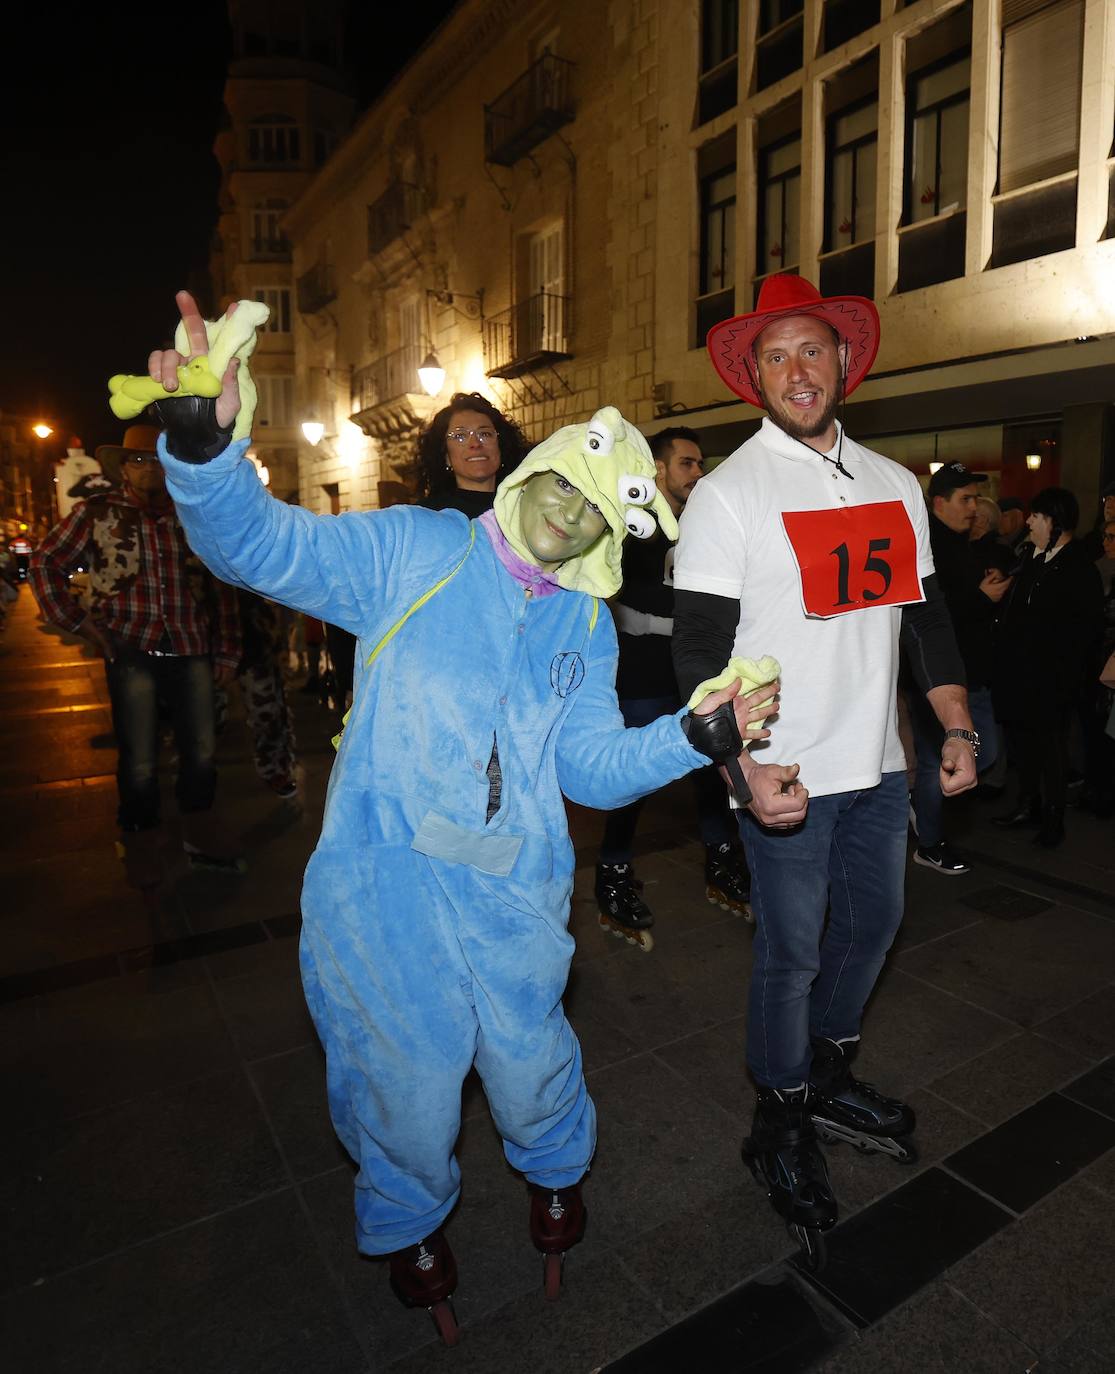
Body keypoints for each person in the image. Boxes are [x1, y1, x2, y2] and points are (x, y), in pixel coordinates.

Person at [142, 290, 776, 1343]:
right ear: (532, 475)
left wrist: (690, 739)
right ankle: (408, 1220)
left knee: (533, 1064)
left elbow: (587, 768)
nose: (567, 518)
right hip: (386, 883)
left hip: (512, 888)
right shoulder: (413, 548)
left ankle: (554, 1176)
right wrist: (208, 458)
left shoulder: (584, 619)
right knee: (404, 1081)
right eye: (560, 491)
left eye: (590, 514)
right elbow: (264, 548)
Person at [672, 273, 977, 1268]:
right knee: (791, 953)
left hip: (878, 765)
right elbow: (697, 656)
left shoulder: (892, 483)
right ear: (751, 376)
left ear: (841, 362)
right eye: (776, 356)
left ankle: (822, 1069)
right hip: (783, 773)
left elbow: (924, 621)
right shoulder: (728, 494)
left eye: (812, 351)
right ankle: (780, 1120)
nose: (797, 371)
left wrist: (953, 726)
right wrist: (741, 773)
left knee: (877, 926)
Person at [28, 423, 242, 888]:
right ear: (123, 467)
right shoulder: (96, 514)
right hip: (131, 648)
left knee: (202, 752)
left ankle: (199, 831)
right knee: (139, 755)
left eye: (156, 461)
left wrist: (227, 651)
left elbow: (221, 584)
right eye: (139, 461)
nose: (148, 470)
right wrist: (77, 623)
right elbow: (46, 561)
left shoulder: (193, 516)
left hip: (191, 648)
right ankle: (142, 838)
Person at [595, 426, 751, 950]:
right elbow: (623, 592)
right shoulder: (632, 527)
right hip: (641, 674)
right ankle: (612, 875)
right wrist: (698, 610)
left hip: (694, 674)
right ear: (658, 469)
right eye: (687, 463)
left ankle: (722, 862)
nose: (698, 473)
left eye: (700, 463)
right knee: (632, 780)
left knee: (713, 768)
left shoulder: (701, 523)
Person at [906, 463, 1010, 873]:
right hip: (940, 681)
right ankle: (929, 841)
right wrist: (982, 599)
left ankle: (923, 812)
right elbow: (930, 619)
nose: (973, 508)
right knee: (939, 763)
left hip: (971, 675)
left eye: (974, 499)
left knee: (982, 754)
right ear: (939, 503)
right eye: (965, 500)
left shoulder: (962, 542)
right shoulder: (927, 547)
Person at [992, 487, 1105, 847]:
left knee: (1052, 748)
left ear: (1055, 521)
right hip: (1023, 675)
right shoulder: (1034, 558)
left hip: (1053, 680)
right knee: (1025, 744)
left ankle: (1053, 818)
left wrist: (1063, 675)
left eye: (1037, 517)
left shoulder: (1077, 566)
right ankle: (1029, 804)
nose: (1029, 523)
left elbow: (1084, 632)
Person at [415, 390, 529, 516]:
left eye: (485, 434)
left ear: (502, 446)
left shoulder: (525, 507)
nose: (475, 444)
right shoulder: (427, 515)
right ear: (445, 455)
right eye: (460, 436)